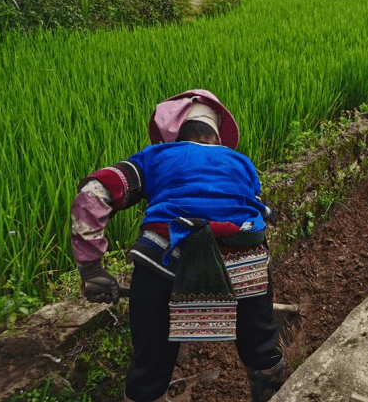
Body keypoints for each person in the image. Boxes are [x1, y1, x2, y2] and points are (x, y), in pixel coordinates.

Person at [71, 89, 285, 402]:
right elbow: (260, 208)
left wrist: (91, 268)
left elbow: (93, 192)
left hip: (165, 260)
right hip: (243, 262)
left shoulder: (153, 157)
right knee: (261, 347)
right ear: (216, 138)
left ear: (172, 134)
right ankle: (270, 386)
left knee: (151, 362)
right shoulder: (241, 163)